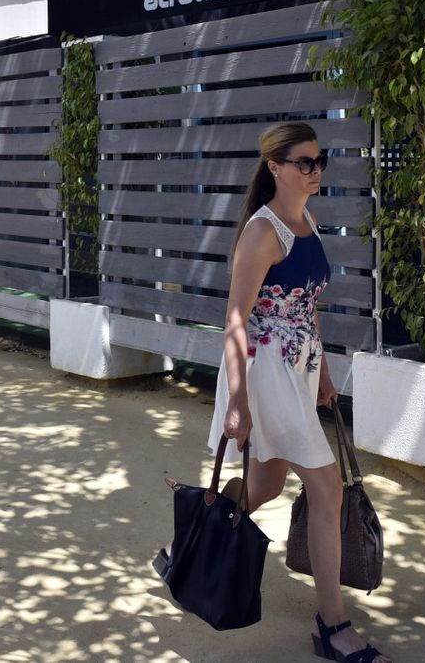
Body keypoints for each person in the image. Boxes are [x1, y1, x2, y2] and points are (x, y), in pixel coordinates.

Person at [154, 122, 392, 662]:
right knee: (327, 489)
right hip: (264, 375)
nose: (315, 171)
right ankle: (332, 625)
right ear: (275, 167)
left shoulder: (305, 219)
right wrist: (237, 399)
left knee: (262, 487)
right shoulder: (263, 232)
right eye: (304, 162)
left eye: (319, 160)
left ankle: (181, 549)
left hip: (298, 372)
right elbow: (235, 318)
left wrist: (325, 374)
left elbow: (307, 306)